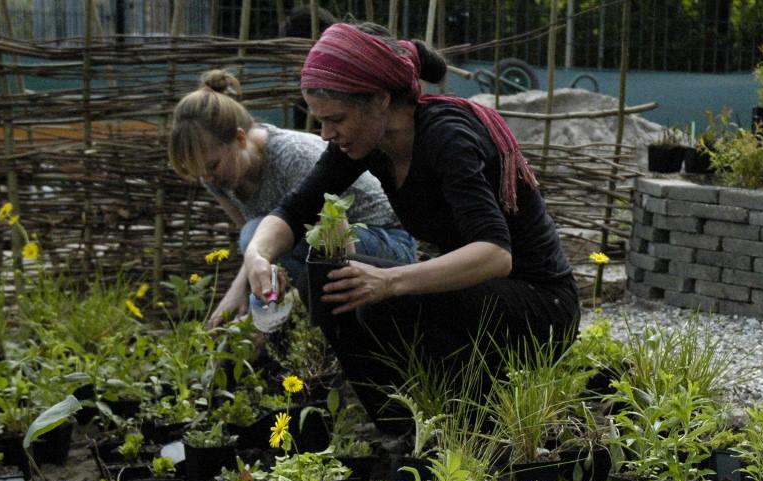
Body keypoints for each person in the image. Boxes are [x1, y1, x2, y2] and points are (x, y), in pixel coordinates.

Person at [237, 24, 579, 430]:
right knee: (328, 278)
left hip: (540, 306)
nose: (327, 133)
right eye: (322, 121)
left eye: (336, 119)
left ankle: (472, 421)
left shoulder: (448, 137)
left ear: (381, 100)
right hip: (479, 298)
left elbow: (495, 254)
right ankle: (399, 427)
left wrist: (390, 281)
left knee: (388, 296)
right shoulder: (367, 142)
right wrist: (257, 256)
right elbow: (294, 210)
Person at [168, 69, 415, 328]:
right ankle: (287, 321)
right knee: (254, 236)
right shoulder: (219, 179)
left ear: (240, 138)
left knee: (278, 235)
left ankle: (323, 321)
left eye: (212, 166)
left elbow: (332, 229)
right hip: (321, 251)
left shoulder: (292, 155)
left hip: (384, 244)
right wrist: (235, 295)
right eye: (199, 173)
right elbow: (257, 245)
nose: (208, 179)